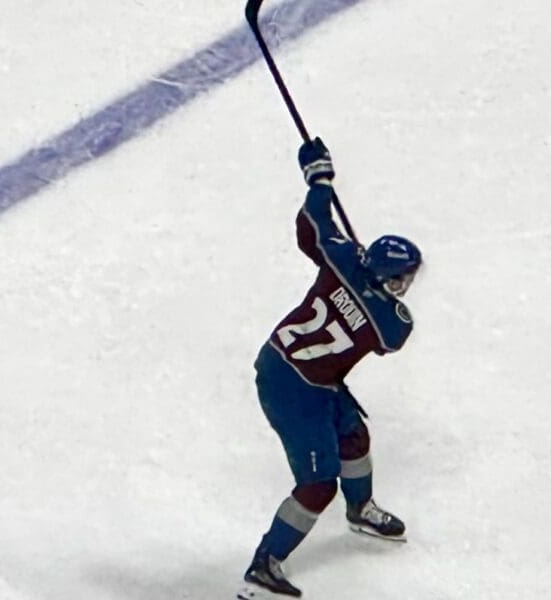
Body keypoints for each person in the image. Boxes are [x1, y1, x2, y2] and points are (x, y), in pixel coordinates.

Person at [237, 138, 422, 599]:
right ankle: (265, 564)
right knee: (318, 486)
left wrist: (320, 178)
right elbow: (387, 331)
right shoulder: (392, 324)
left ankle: (360, 509)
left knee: (354, 435)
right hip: (294, 390)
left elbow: (312, 228)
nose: (406, 286)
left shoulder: (341, 260)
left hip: (294, 364)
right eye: (401, 278)